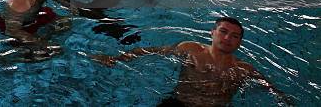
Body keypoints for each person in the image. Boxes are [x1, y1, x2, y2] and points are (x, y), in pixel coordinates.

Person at [91, 17, 286, 106]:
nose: (227, 38)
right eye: (223, 32)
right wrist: (116, 59)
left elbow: (273, 91)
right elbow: (151, 51)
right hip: (179, 104)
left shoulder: (244, 70)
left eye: (234, 36)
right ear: (212, 33)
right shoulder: (191, 49)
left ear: (239, 42)